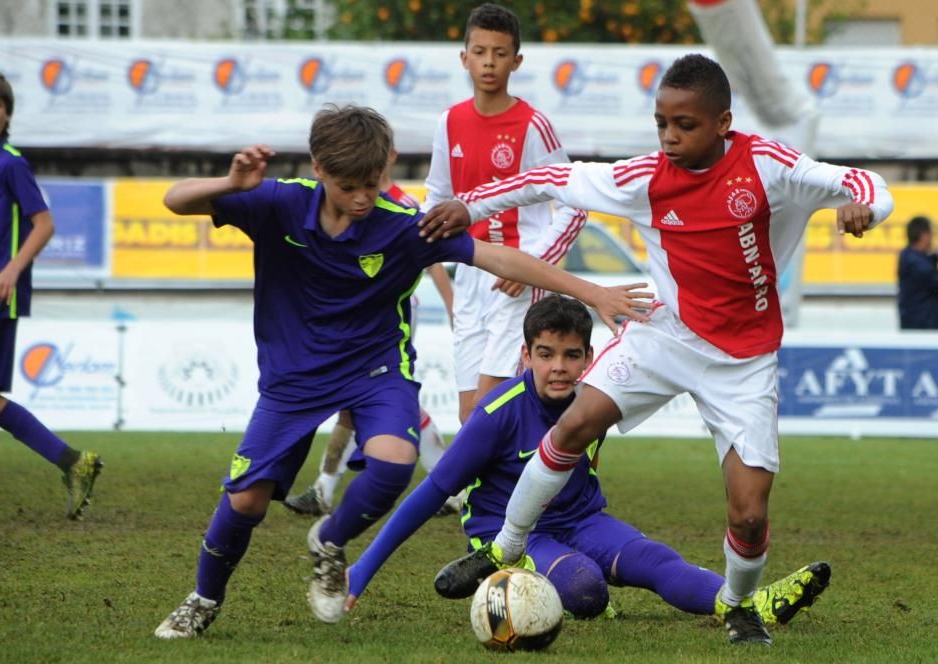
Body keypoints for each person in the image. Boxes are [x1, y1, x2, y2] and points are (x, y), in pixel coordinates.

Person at [422, 54, 893, 645]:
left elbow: (860, 181)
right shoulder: (644, 178)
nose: (669, 137)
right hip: (664, 334)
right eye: (661, 123)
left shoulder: (766, 165)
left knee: (749, 513)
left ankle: (741, 605)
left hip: (744, 361)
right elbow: (549, 179)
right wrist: (470, 206)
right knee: (573, 425)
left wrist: (867, 208)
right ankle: (504, 547)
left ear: (722, 122)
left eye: (684, 125)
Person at [153, 104, 651, 638]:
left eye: (373, 183)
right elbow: (174, 200)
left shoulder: (402, 228)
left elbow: (499, 258)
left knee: (395, 461)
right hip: (291, 379)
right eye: (350, 186)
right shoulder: (279, 201)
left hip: (374, 370)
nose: (365, 197)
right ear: (319, 170)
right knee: (246, 501)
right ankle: (203, 598)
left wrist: (593, 290)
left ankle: (330, 541)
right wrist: (231, 182)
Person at [342, 295, 831, 628]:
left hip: (582, 520)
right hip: (513, 534)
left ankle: (748, 604)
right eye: (545, 353)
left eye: (571, 355)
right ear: (526, 355)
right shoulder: (496, 416)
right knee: (585, 590)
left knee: (658, 561)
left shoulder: (597, 399)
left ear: (589, 356)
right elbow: (429, 495)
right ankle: (514, 580)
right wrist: (362, 569)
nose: (559, 367)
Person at [0, 70, 102, 523]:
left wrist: (11, 270)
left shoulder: (11, 164)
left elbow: (44, 223)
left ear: (7, 112)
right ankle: (73, 462)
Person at [423, 3, 588, 424]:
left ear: (516, 60)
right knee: (468, 415)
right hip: (471, 275)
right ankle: (508, 485)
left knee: (489, 408)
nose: (489, 62)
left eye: (499, 53)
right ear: (464, 58)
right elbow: (437, 196)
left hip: (518, 278)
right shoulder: (449, 121)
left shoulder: (533, 125)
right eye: (479, 52)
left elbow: (575, 203)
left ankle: (542, 480)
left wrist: (532, 265)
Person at [284, 150, 458, 518]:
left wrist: (450, 303)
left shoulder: (403, 205)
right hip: (353, 316)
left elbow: (434, 259)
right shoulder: (344, 204)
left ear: (389, 157)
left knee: (367, 395)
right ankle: (446, 487)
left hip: (391, 315)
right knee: (361, 401)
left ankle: (325, 490)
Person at [897, 216, 938, 329]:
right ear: (923, 235)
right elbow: (931, 277)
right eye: (930, 234)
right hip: (921, 328)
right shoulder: (916, 263)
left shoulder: (909, 256)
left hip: (919, 324)